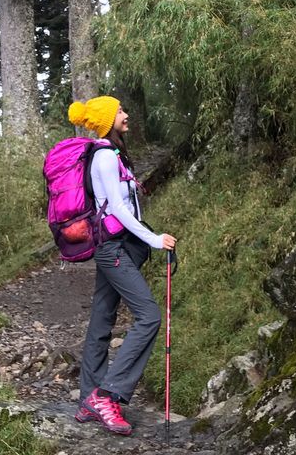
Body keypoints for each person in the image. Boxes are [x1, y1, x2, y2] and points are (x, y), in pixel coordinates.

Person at [69, 95, 177, 437]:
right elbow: (117, 208)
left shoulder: (111, 153)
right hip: (113, 248)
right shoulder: (103, 157)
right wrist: (154, 239)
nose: (126, 115)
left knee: (101, 320)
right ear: (106, 120)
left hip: (112, 246)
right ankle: (107, 393)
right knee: (150, 316)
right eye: (119, 112)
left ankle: (89, 399)